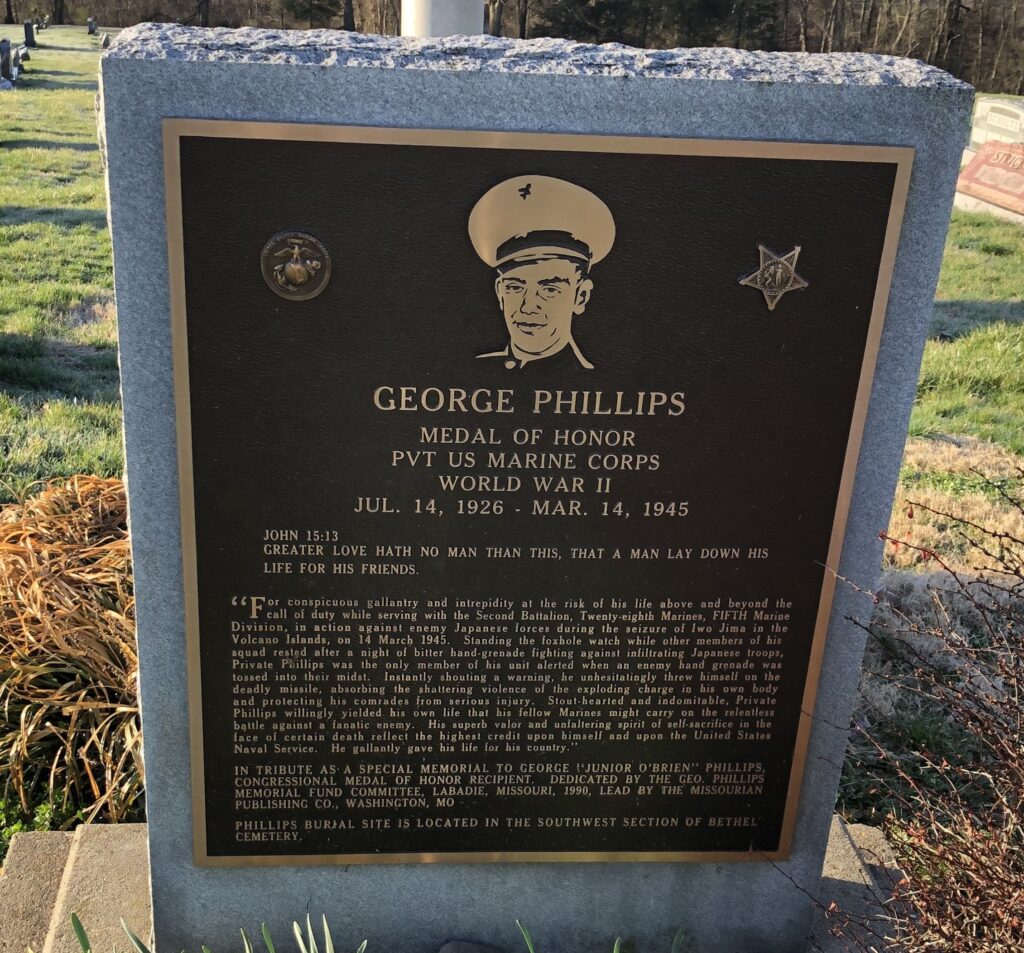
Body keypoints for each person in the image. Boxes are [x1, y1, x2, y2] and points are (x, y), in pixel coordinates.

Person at [468, 175, 616, 371]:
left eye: (549, 290)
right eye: (515, 287)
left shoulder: (593, 380)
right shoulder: (472, 369)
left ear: (580, 296)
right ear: (499, 292)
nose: (528, 307)